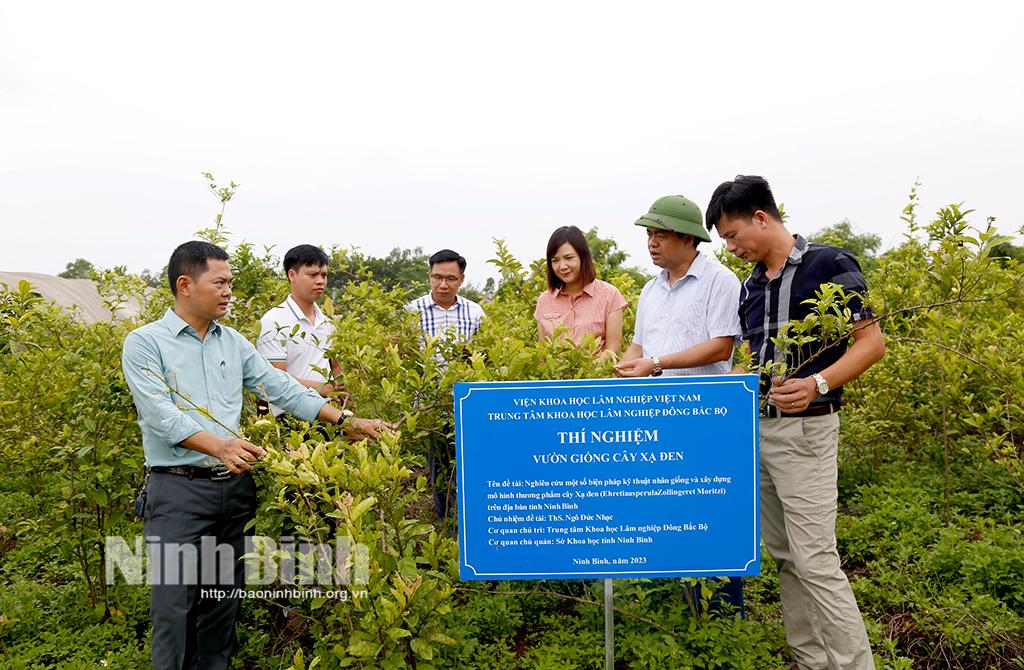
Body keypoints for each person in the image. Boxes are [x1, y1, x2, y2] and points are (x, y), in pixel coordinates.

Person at [122, 241, 393, 670]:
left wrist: (347, 422)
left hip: (233, 490)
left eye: (232, 283)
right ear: (186, 285)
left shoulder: (233, 342)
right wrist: (220, 445)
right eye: (221, 283)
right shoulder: (145, 344)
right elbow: (159, 415)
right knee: (174, 608)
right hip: (178, 491)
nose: (230, 291)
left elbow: (283, 388)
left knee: (221, 604)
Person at [707, 175, 885, 669]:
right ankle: (810, 661)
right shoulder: (750, 287)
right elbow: (749, 357)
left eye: (732, 235)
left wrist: (817, 384)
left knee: (816, 560)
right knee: (786, 557)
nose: (732, 247)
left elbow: (871, 344)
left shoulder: (829, 264)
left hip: (806, 430)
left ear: (761, 217)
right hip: (759, 434)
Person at [614, 193, 745, 615]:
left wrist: (654, 364)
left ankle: (724, 620)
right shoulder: (650, 290)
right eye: (649, 235)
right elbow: (640, 344)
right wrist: (624, 367)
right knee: (664, 514)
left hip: (703, 419)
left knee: (710, 518)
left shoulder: (719, 281)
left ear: (688, 239)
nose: (651, 243)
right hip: (656, 419)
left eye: (660, 235)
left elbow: (721, 346)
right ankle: (676, 612)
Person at [405, 249, 485, 520]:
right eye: (437, 277)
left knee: (470, 468)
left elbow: (483, 356)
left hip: (467, 404)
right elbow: (403, 358)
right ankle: (445, 527)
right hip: (430, 406)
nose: (443, 284)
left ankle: (470, 526)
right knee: (439, 471)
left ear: (461, 279)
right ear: (429, 276)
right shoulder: (412, 311)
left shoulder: (475, 312)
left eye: (450, 278)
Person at [256, 244, 342, 417]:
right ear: (292, 275)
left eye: (324, 275)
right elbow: (275, 379)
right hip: (289, 417)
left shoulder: (328, 322)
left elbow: (336, 367)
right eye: (312, 275)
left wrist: (346, 402)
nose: (320, 281)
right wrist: (321, 388)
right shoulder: (274, 321)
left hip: (329, 416)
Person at [534, 225, 627, 360]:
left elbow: (613, 350)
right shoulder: (544, 301)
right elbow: (542, 355)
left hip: (595, 378)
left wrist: (584, 371)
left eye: (569, 258)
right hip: (556, 379)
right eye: (555, 260)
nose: (562, 266)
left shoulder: (610, 295)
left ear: (583, 257)